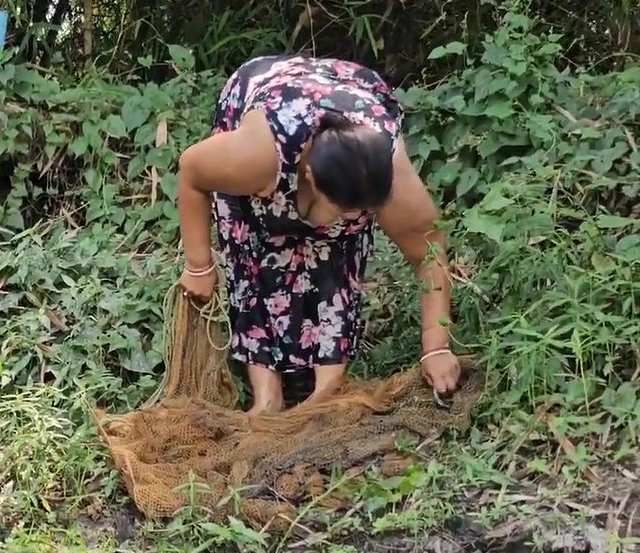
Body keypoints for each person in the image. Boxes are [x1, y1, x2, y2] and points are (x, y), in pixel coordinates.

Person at [176, 54, 462, 414]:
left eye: (364, 213)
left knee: (336, 250)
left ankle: (326, 388)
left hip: (350, 93)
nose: (355, 217)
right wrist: (199, 265)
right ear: (310, 176)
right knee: (253, 243)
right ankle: (267, 393)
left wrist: (436, 347)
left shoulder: (385, 172)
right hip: (270, 93)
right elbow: (191, 172)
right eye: (345, 210)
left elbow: (428, 251)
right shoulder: (258, 156)